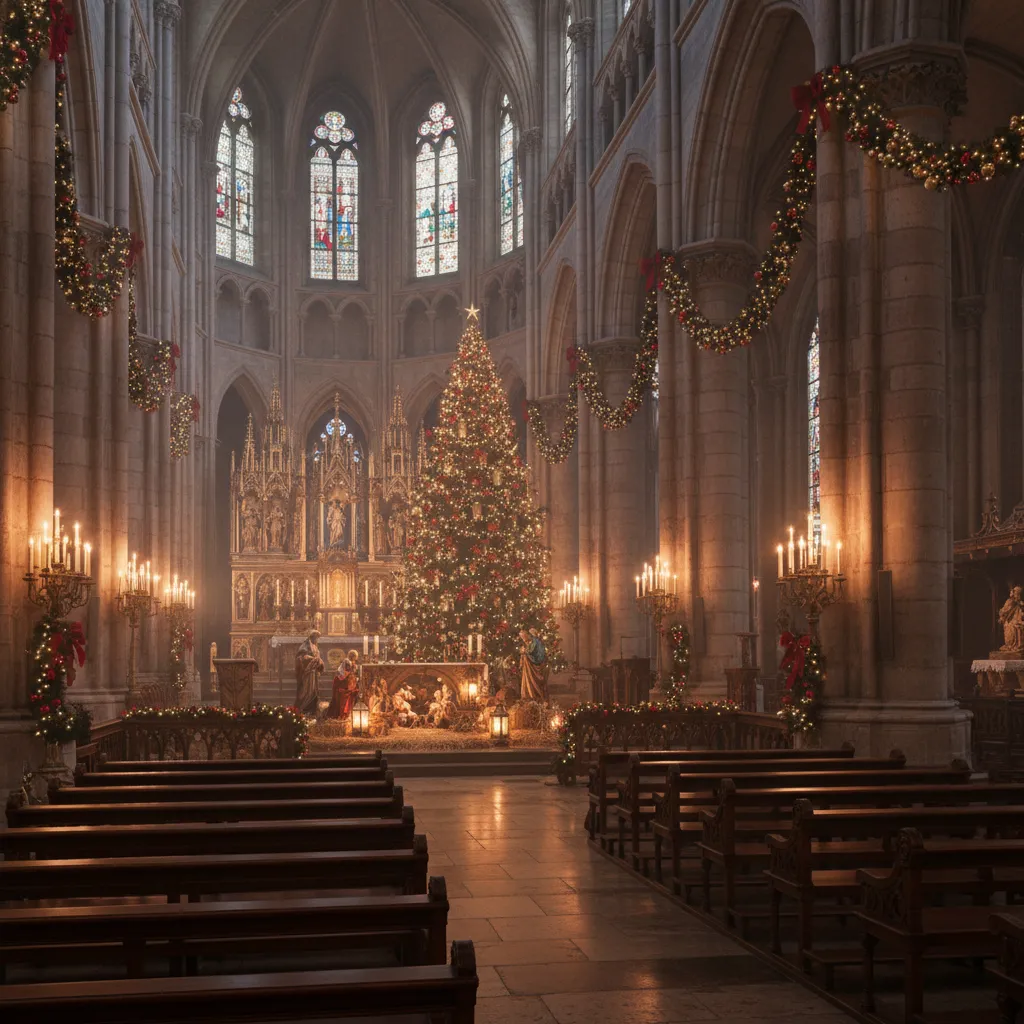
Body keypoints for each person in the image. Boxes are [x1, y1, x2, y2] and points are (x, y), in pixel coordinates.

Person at [294, 629, 324, 717]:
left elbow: (317, 657)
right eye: (315, 638)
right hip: (306, 673)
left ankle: (312, 709)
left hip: (313, 672)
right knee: (306, 691)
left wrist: (320, 662)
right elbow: (300, 657)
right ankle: (304, 708)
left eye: (317, 638)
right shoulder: (305, 646)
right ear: (312, 637)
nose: (316, 640)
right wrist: (310, 658)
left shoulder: (314, 646)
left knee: (314, 690)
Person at [519, 628, 548, 701]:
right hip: (531, 663)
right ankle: (529, 696)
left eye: (524, 636)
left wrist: (525, 651)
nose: (524, 639)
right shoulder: (532, 642)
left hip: (534, 664)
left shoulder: (535, 642)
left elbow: (531, 652)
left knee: (534, 681)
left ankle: (533, 696)